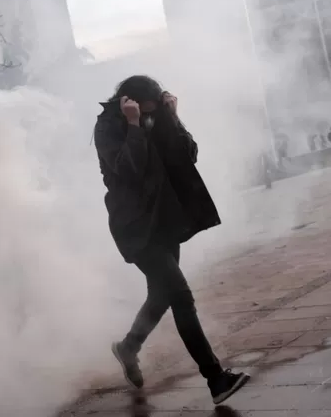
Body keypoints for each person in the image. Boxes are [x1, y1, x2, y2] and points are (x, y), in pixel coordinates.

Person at [93, 75, 249, 404]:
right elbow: (129, 170)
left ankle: (127, 347)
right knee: (181, 296)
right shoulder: (108, 127)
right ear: (126, 104)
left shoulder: (157, 116)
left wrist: (173, 117)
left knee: (161, 295)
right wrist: (134, 126)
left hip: (164, 220)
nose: (149, 116)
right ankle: (216, 379)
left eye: (152, 111)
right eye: (142, 111)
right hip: (134, 227)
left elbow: (187, 154)